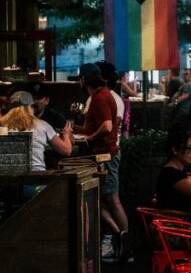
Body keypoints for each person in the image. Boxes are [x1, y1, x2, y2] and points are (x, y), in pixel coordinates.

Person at [78, 66, 130, 261]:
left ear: (85, 80)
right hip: (106, 153)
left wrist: (89, 136)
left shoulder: (99, 98)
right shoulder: (105, 94)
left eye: (80, 79)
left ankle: (123, 239)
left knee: (110, 200)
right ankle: (121, 237)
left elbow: (107, 126)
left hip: (105, 155)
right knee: (101, 199)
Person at [5, 91, 73, 171]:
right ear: (30, 107)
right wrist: (66, 135)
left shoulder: (2, 126)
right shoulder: (43, 125)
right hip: (36, 178)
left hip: (6, 179)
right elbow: (66, 151)